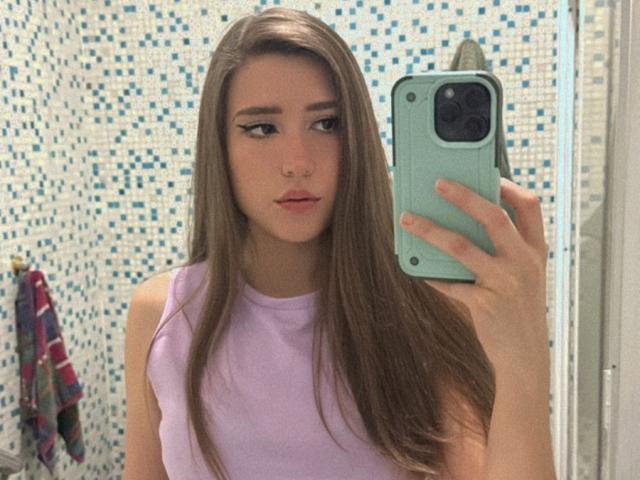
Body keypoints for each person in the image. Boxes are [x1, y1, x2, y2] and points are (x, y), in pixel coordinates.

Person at [123, 7, 556, 480]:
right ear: (219, 146)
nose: (297, 162)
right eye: (262, 128)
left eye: (327, 123)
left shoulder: (423, 308)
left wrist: (524, 353)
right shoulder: (163, 315)